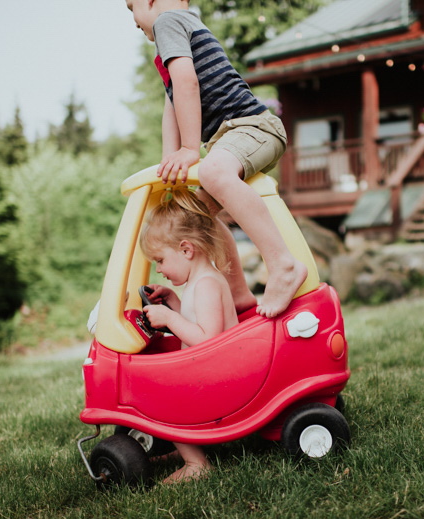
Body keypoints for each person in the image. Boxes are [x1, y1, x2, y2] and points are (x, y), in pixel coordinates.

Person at [125, 0, 308, 318]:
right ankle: (238, 292)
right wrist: (169, 160)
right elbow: (173, 100)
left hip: (253, 127)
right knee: (195, 215)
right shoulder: (179, 31)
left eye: (131, 8)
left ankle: (283, 264)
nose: (132, 21)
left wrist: (190, 150)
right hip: (235, 137)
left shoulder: (168, 23)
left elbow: (186, 84)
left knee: (211, 171)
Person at [138, 187, 238, 482]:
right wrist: (173, 300)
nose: (158, 269)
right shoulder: (201, 280)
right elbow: (197, 322)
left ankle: (196, 463)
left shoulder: (207, 284)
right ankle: (187, 447)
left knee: (162, 394)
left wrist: (168, 317)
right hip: (216, 372)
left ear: (185, 249)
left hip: (224, 380)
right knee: (166, 384)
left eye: (160, 260)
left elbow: (207, 340)